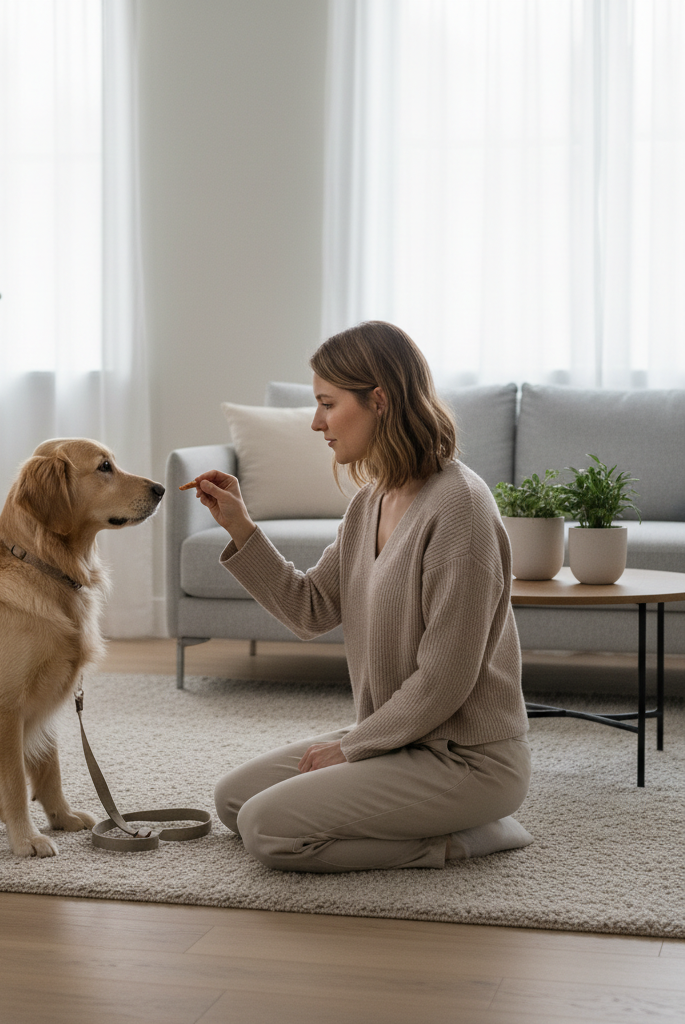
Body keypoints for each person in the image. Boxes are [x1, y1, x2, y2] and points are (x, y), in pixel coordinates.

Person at [192, 321, 532, 872]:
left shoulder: (460, 509)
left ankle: (467, 837)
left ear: (379, 400)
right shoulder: (371, 501)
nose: (315, 422)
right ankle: (414, 805)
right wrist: (241, 528)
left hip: (467, 759)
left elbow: (445, 678)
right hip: (400, 742)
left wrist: (350, 749)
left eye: (327, 403)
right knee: (234, 800)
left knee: (267, 831)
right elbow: (310, 608)